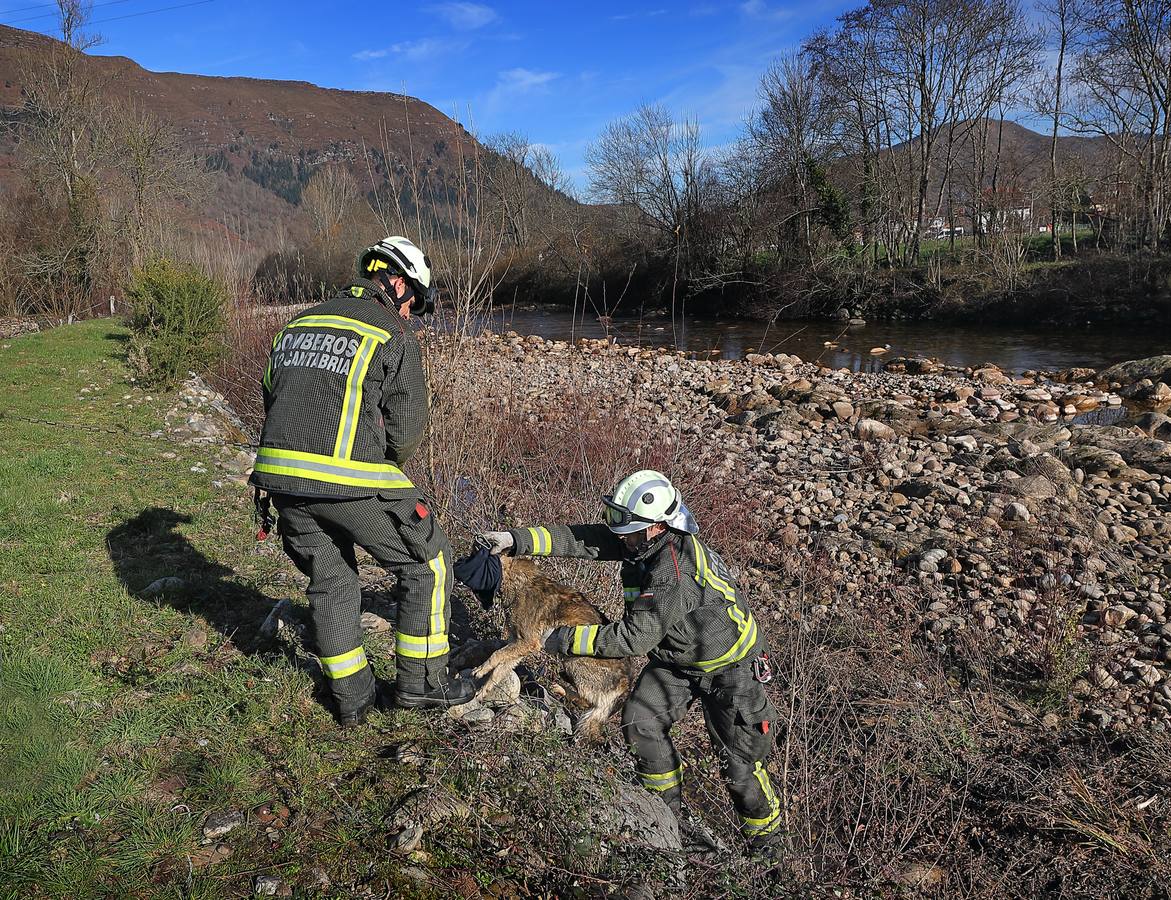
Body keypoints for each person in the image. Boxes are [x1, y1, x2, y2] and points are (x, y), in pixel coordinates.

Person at [480, 471, 784, 861]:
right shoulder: (642, 543)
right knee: (640, 722)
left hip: (731, 670)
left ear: (656, 526)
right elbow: (582, 539)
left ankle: (768, 853)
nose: (620, 535)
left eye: (628, 528)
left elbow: (635, 637)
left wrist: (565, 639)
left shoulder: (674, 572)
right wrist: (515, 539)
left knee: (740, 767)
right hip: (676, 660)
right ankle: (668, 822)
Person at [251, 236, 475, 726]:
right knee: (430, 560)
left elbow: (273, 396)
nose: (412, 314)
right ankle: (422, 684)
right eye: (415, 302)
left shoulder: (297, 324)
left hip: (281, 482)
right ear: (398, 283)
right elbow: (406, 431)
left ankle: (353, 698)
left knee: (331, 579)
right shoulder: (391, 333)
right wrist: (382, 466)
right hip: (346, 479)